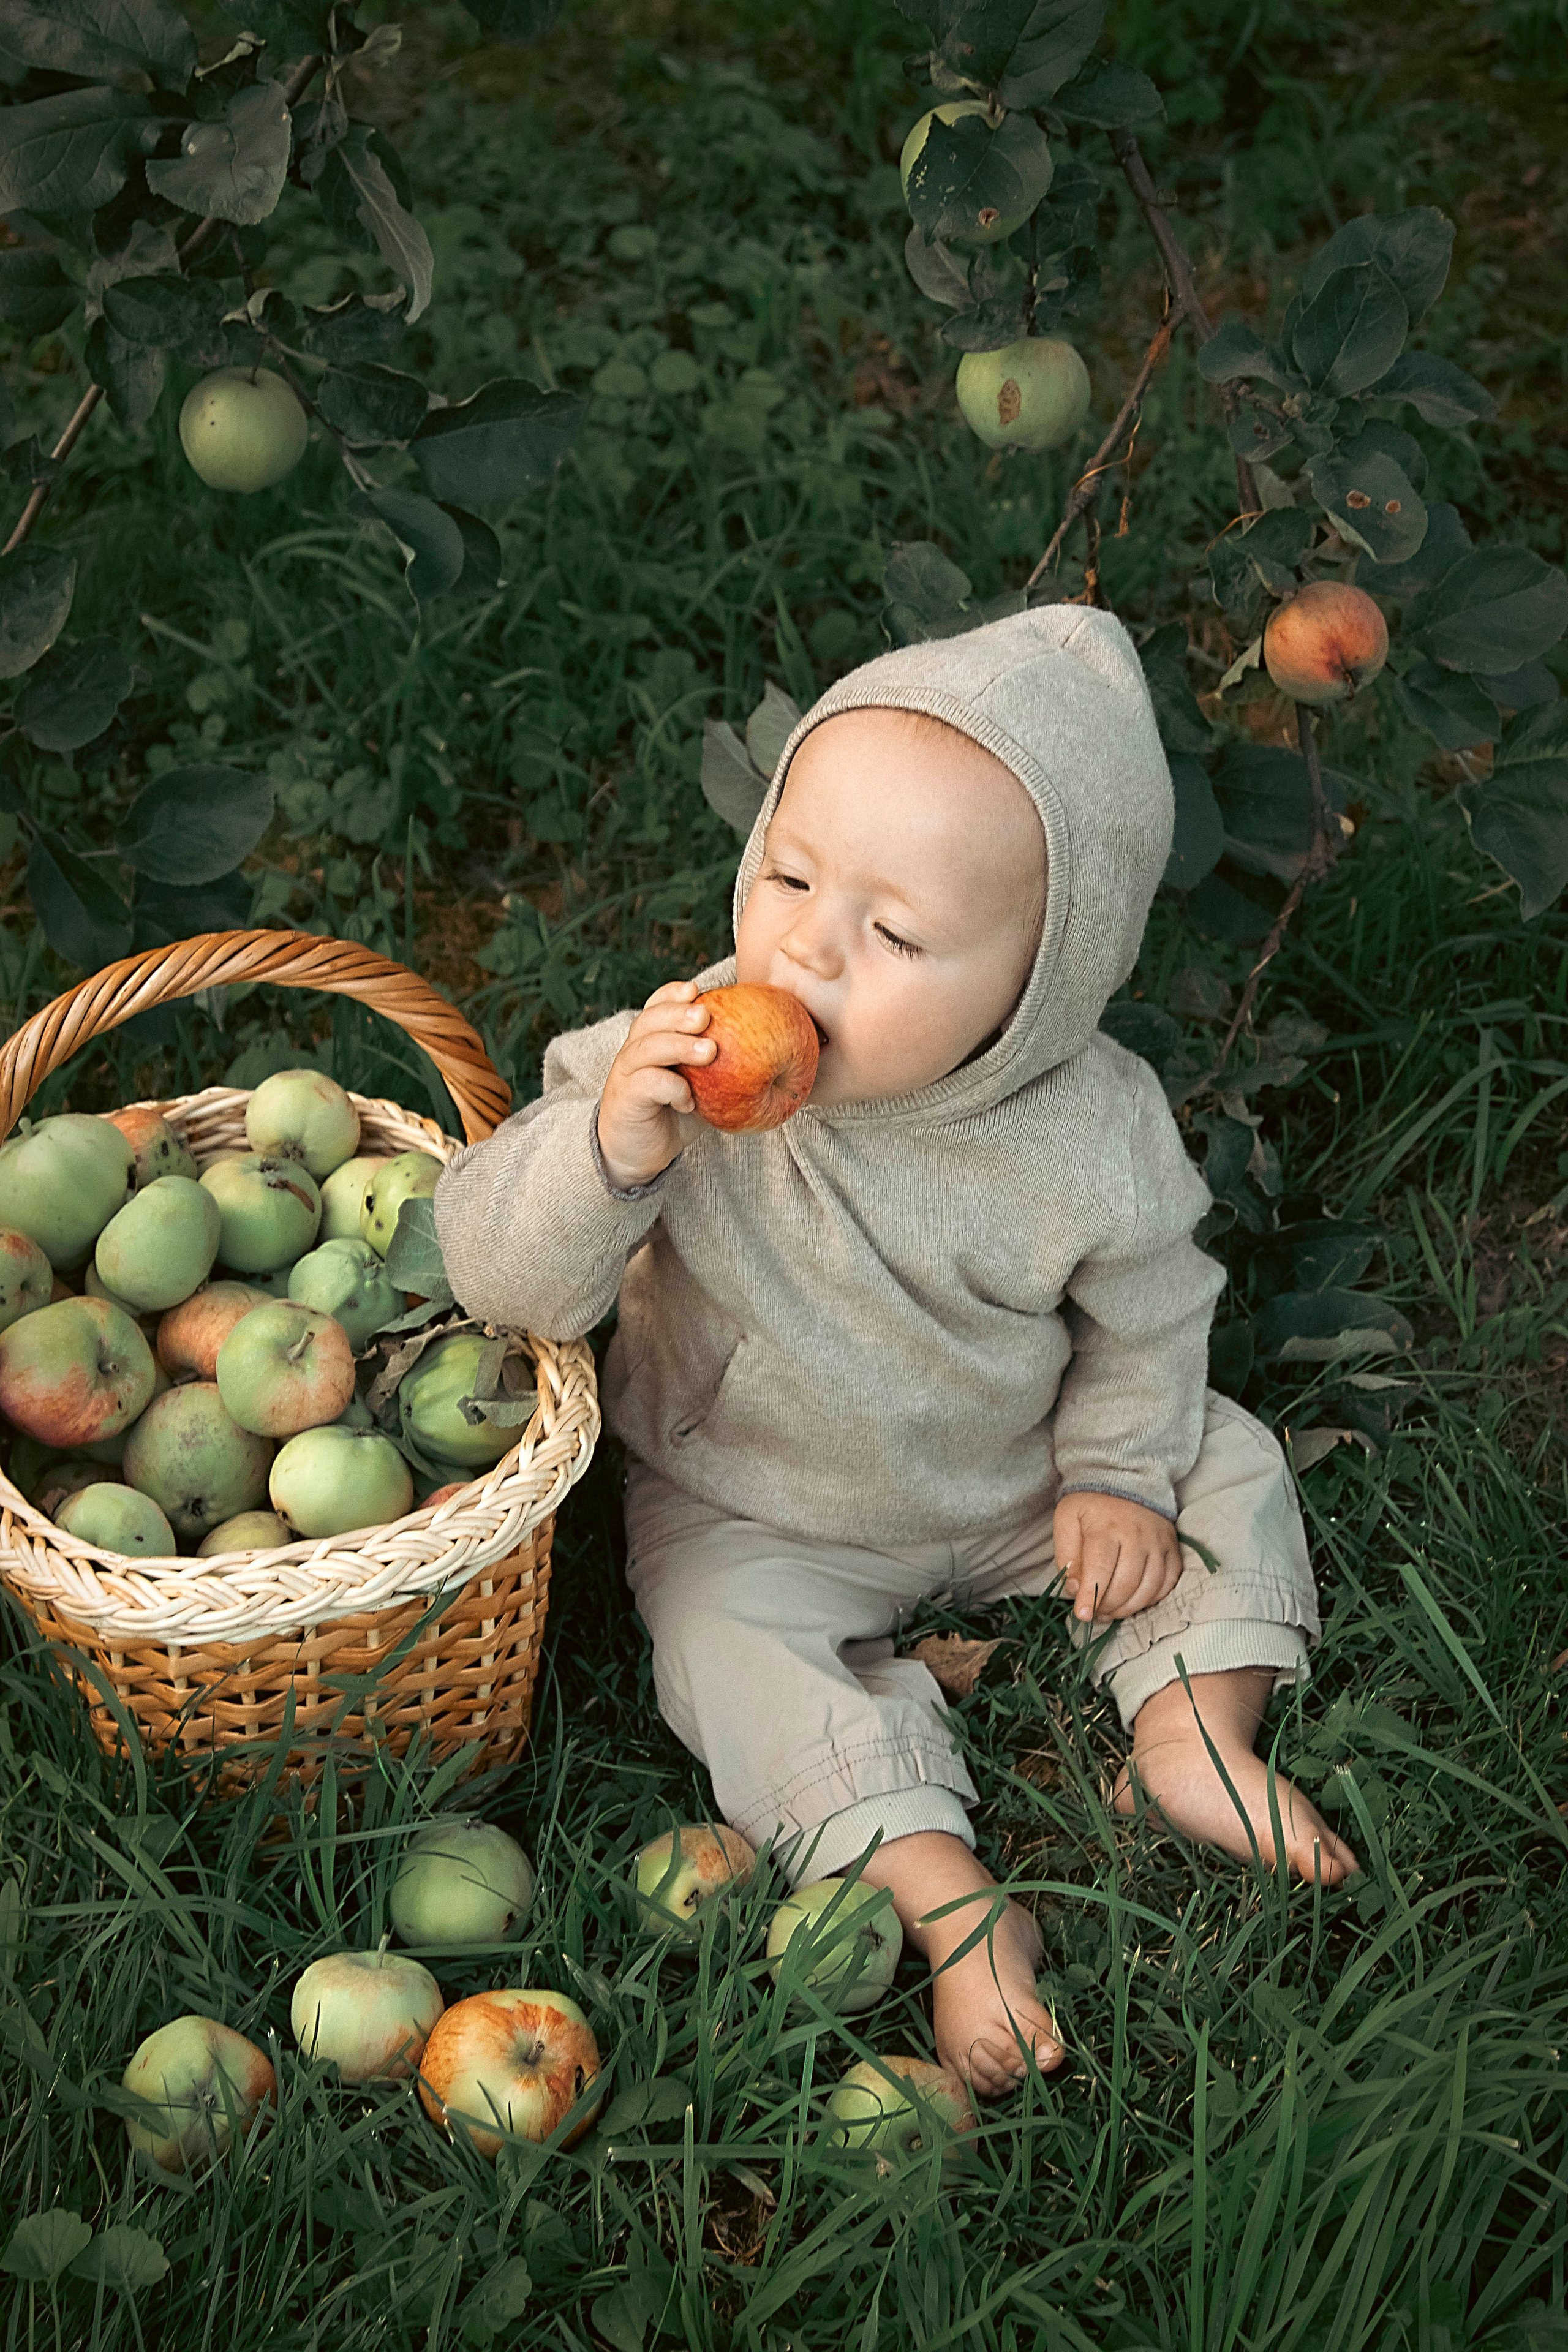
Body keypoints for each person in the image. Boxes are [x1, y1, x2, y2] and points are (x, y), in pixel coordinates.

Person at [434, 605, 1358, 2099]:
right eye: (790, 876)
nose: (807, 944)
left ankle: (1195, 1732)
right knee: (721, 1639)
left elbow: (1148, 1312)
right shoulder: (658, 1069)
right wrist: (606, 1156)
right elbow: (498, 1277)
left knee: (1222, 1456)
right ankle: (950, 1905)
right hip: (755, 1501)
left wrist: (1114, 1474)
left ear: (1040, 981)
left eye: (896, 933)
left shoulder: (1090, 1126)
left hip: (1019, 1480)